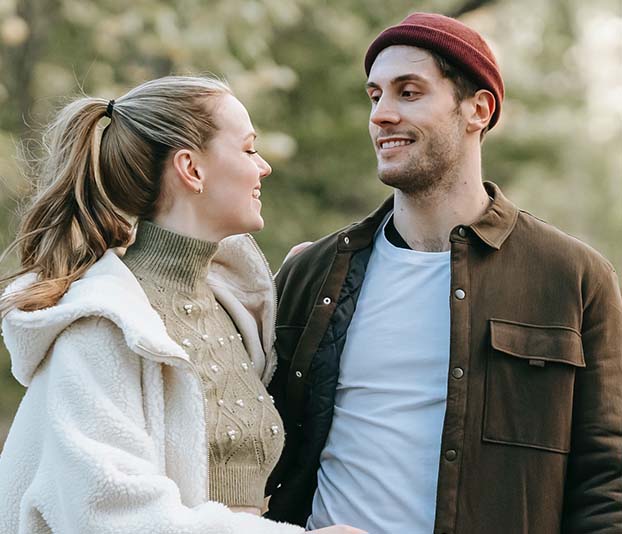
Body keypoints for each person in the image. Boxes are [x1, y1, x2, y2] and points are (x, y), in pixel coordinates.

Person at [265, 12, 622, 534]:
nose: (382, 114)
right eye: (375, 96)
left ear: (478, 109)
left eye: (408, 92)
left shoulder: (572, 277)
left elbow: (605, 484)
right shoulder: (310, 273)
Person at [0, 75, 365, 534]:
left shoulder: (234, 309)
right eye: (249, 149)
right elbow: (109, 512)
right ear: (191, 169)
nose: (264, 167)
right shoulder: (104, 325)